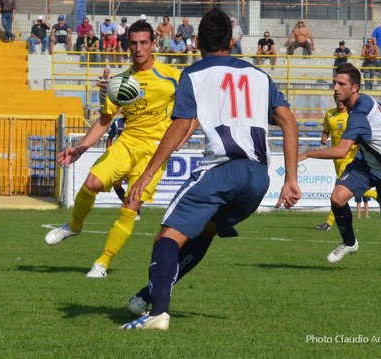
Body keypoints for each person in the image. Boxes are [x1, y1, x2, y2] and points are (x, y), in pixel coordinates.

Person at [119, 8, 301, 331]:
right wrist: (290, 179)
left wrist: (146, 175)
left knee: (167, 237)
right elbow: (288, 120)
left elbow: (182, 125)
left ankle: (158, 313)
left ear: (198, 41)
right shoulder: (261, 76)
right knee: (203, 233)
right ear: (232, 42)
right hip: (258, 179)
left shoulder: (194, 74)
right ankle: (149, 294)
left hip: (223, 169)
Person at [44, 20, 181, 278]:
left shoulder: (172, 78)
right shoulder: (119, 83)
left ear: (154, 45)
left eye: (144, 43)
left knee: (131, 204)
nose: (138, 48)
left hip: (154, 151)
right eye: (133, 43)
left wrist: (180, 139)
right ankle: (73, 226)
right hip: (127, 142)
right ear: (127, 45)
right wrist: (81, 148)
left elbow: (192, 114)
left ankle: (102, 263)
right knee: (91, 183)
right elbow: (105, 120)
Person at [298, 63, 381, 271]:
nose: (335, 88)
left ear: (354, 88)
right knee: (337, 198)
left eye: (341, 84)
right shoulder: (365, 101)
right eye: (334, 83)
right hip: (366, 164)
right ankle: (349, 242)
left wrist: (308, 153)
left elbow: (340, 151)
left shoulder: (358, 116)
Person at [314, 98, 377, 232]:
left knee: (339, 188)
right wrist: (324, 137)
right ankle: (378, 194)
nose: (339, 102)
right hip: (336, 157)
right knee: (345, 188)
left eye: (342, 100)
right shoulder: (329, 114)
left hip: (350, 156)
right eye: (337, 100)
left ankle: (329, 223)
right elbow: (326, 130)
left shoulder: (353, 115)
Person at [106, 116, 141, 221]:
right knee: (116, 184)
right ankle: (129, 205)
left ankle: (134, 210)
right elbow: (110, 138)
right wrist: (109, 153)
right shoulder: (117, 123)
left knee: (133, 186)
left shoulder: (138, 121)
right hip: (120, 159)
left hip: (135, 159)